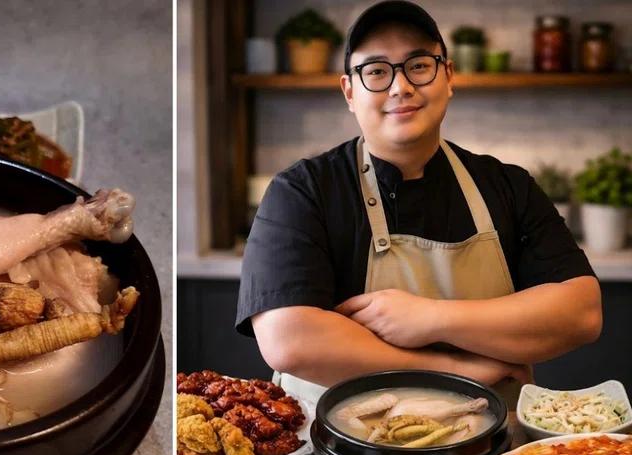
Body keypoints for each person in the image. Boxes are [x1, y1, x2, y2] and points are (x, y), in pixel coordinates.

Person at [235, 0, 602, 403]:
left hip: (493, 452)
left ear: (447, 76)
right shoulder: (302, 192)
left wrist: (430, 318)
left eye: (419, 65)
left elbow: (580, 312)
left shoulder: (508, 186)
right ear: (349, 92)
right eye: (376, 71)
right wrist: (460, 371)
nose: (400, 86)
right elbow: (291, 340)